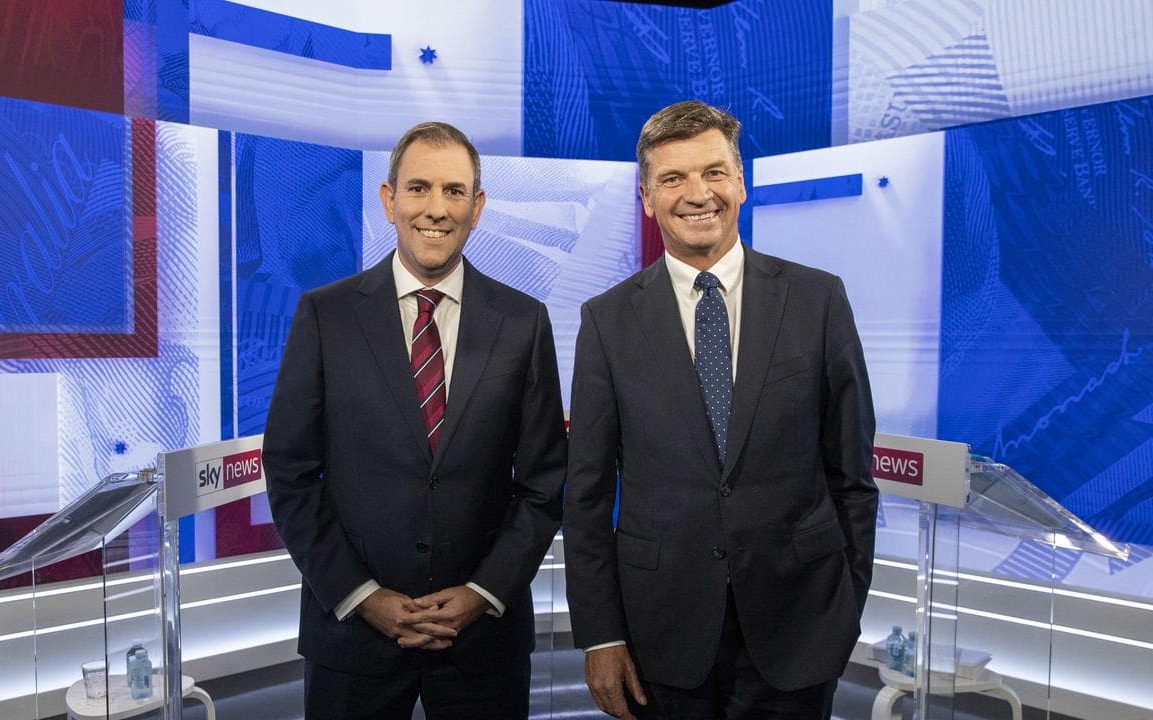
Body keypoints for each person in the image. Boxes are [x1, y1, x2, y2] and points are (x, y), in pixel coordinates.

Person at [563, 101, 878, 720]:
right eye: (672, 178)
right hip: (661, 635)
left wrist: (844, 608)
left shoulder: (817, 299)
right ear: (648, 198)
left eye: (713, 172)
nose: (696, 193)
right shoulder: (606, 320)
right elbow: (588, 495)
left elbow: (851, 476)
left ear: (740, 182)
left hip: (799, 628)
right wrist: (602, 634)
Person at [263, 121, 567, 719]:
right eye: (419, 188)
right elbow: (292, 473)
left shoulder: (524, 322)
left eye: (455, 191)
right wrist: (363, 596)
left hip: (483, 643)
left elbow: (544, 482)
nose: (436, 208)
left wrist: (483, 593)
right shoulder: (324, 316)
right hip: (353, 640)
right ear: (388, 200)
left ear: (477, 207)